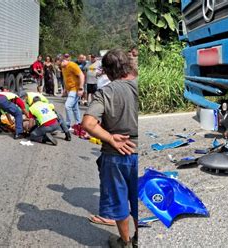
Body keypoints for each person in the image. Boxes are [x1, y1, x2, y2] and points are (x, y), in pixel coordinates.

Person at [82, 49, 138, 248]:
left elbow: (88, 123)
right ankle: (139, 239)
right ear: (129, 65)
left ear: (106, 71)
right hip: (139, 154)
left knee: (120, 201)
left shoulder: (106, 92)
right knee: (138, 199)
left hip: (116, 156)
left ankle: (125, 242)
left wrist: (111, 138)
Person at [60, 54, 85, 129]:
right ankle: (78, 123)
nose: (59, 65)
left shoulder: (72, 65)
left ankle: (68, 125)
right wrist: (64, 90)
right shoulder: (63, 67)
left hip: (75, 89)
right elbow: (66, 79)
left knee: (67, 106)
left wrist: (81, 88)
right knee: (74, 107)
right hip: (69, 89)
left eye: (59, 63)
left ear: (64, 61)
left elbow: (82, 75)